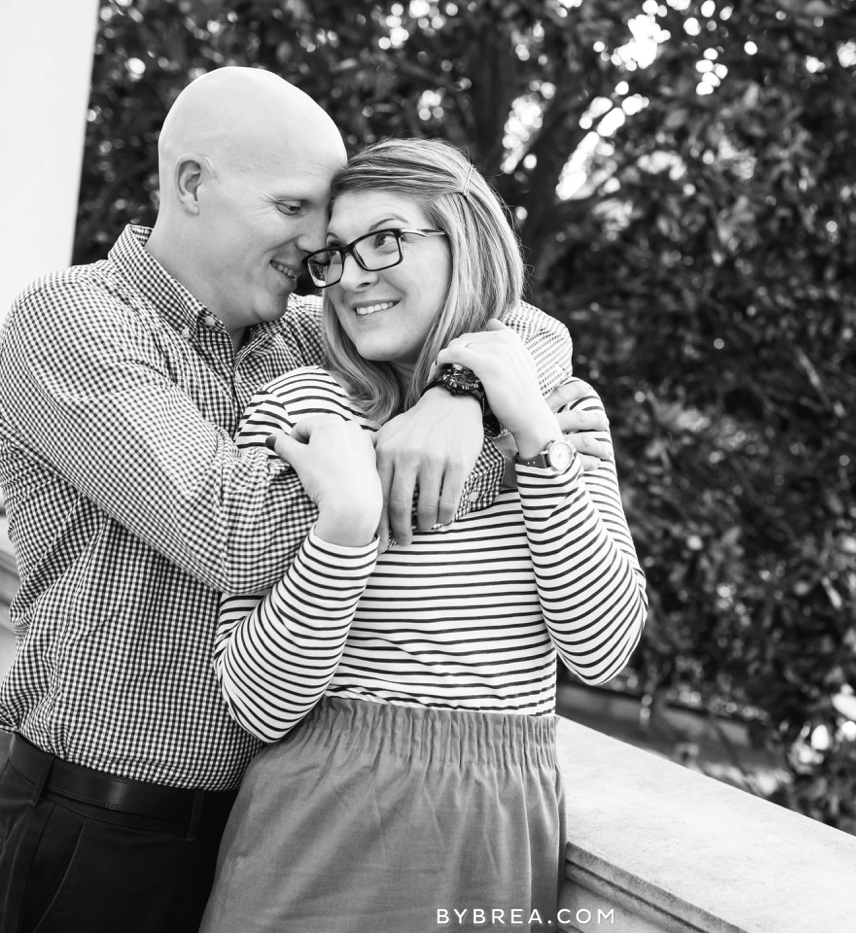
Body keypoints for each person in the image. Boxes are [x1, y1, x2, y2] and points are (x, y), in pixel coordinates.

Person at [0, 68, 605, 933]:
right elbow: (233, 530)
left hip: (274, 816)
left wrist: (458, 393)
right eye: (294, 208)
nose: (321, 251)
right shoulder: (75, 321)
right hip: (105, 823)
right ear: (194, 184)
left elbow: (526, 325)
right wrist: (480, 432)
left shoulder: (302, 333)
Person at [197, 138, 648, 933]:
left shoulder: (562, 411)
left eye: (386, 239)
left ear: (465, 240)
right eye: (336, 254)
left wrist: (531, 434)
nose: (355, 273)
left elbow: (602, 648)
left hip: (498, 820)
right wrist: (344, 529)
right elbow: (256, 704)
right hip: (317, 811)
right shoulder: (301, 409)